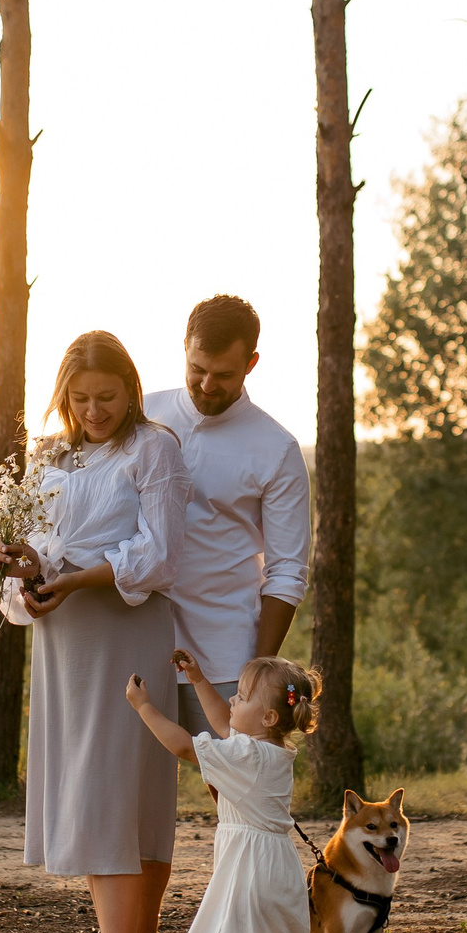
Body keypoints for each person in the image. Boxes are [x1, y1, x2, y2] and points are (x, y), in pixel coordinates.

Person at [0, 332, 190, 933]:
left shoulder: (154, 449)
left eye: (107, 396)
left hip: (124, 633)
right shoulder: (51, 456)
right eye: (80, 399)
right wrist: (28, 577)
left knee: (115, 802)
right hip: (65, 644)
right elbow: (44, 549)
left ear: (131, 390)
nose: (95, 410)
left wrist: (77, 578)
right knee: (88, 797)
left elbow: (160, 553)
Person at [123, 651, 357, 933]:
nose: (233, 700)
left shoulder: (246, 756)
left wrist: (144, 707)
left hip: (247, 872)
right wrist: (198, 680)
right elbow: (223, 723)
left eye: (243, 696)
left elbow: (184, 745)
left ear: (268, 717)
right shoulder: (271, 750)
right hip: (276, 871)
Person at [142, 296, 311, 734]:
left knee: (231, 772)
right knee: (128, 768)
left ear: (251, 363)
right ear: (184, 346)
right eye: (197, 369)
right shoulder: (140, 413)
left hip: (225, 655)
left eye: (224, 375)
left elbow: (287, 571)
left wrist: (258, 671)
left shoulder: (277, 449)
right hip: (135, 640)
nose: (207, 385)